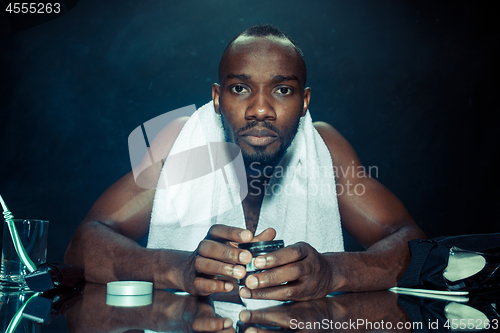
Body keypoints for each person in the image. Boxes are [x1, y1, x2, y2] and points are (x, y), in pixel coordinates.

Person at [65, 24, 425, 302]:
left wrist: (333, 271)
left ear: (304, 101)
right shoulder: (180, 142)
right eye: (240, 88)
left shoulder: (325, 147)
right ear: (218, 97)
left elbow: (414, 245)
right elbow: (82, 246)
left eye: (282, 90)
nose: (260, 109)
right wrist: (176, 268)